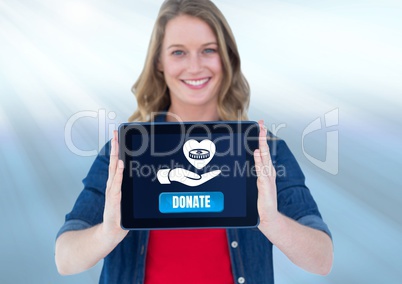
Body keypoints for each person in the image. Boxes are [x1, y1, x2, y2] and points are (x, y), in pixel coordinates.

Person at [55, 0, 333, 283]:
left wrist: (273, 222)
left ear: (226, 57)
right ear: (159, 63)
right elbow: (65, 259)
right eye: (178, 52)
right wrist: (109, 232)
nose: (195, 66)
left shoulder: (263, 150)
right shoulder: (126, 151)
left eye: (208, 50)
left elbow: (322, 259)